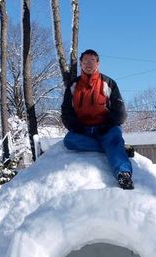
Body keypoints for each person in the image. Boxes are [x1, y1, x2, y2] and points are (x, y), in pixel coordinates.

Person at [61, 49, 134, 190]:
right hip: (83, 129)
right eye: (85, 61)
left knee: (114, 138)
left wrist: (108, 124)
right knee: (69, 141)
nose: (88, 64)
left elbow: (120, 111)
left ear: (98, 63)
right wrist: (76, 127)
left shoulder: (108, 83)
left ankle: (123, 174)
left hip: (106, 128)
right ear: (81, 64)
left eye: (92, 61)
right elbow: (66, 111)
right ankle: (116, 148)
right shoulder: (73, 86)